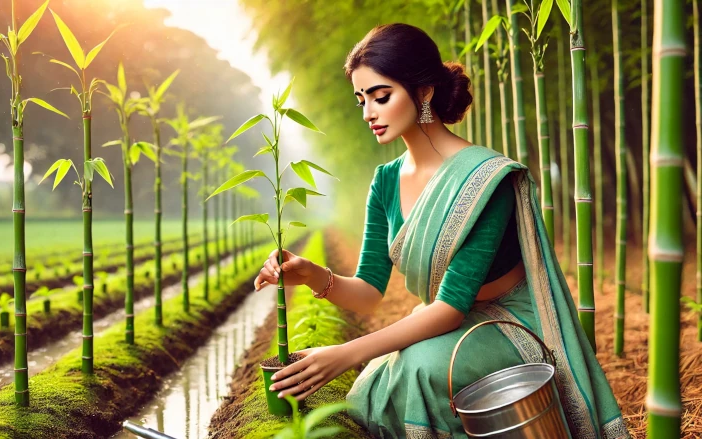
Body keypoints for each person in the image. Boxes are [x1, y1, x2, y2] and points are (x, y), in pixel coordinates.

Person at [253, 23, 629, 439]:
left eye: (381, 96)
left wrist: (344, 354)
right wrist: (310, 273)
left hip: (509, 324)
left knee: (417, 371)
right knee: (371, 388)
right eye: (361, 100)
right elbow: (368, 292)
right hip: (451, 324)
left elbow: (451, 306)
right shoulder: (385, 182)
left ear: (425, 91)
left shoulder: (484, 178)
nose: (368, 113)